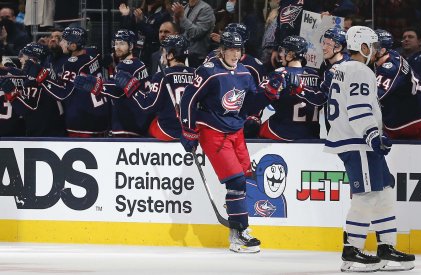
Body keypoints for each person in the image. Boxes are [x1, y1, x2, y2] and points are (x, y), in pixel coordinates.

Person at [179, 31, 287, 253]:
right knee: (236, 180)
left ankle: (237, 231)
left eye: (239, 50)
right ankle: (239, 234)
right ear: (223, 49)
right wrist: (189, 130)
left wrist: (269, 93)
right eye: (231, 49)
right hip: (213, 132)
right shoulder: (209, 71)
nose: (235, 54)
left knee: (244, 179)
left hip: (236, 132)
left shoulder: (244, 73)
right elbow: (188, 100)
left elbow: (248, 105)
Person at [326, 26, 415, 272]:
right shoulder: (360, 70)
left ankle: (386, 246)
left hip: (357, 141)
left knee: (384, 191)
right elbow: (358, 108)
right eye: (373, 46)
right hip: (359, 143)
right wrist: (373, 136)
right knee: (367, 196)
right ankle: (351, 252)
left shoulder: (341, 68)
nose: (375, 51)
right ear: (363, 47)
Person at [30, 27, 110, 137]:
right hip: (101, 116)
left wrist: (42, 78)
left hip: (82, 120)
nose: (61, 43)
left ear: (73, 45)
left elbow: (63, 94)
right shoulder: (93, 53)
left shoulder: (71, 64)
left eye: (64, 41)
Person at [74, 29, 152, 137]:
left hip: (127, 123)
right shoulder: (138, 63)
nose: (118, 47)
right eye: (116, 43)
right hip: (138, 122)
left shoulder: (125, 65)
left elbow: (118, 91)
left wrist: (95, 84)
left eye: (122, 43)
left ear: (131, 46)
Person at [123, 34, 195, 141]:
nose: (162, 55)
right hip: (192, 131)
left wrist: (131, 87)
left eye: (164, 51)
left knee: (148, 122)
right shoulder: (197, 74)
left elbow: (148, 106)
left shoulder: (162, 75)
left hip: (168, 131)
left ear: (170, 55)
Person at [259, 35, 321, 141]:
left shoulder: (278, 74)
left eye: (283, 51)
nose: (280, 54)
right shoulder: (316, 75)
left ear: (291, 54)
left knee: (255, 129)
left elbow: (258, 100)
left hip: (282, 132)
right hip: (312, 134)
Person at [374, 29, 421, 140]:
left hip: (412, 121)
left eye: (370, 46)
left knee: (415, 153)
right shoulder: (391, 53)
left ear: (381, 50)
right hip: (407, 111)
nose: (366, 49)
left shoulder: (389, 70)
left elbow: (373, 97)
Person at [0, 43, 66, 137]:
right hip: (56, 128)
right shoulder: (49, 71)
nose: (20, 59)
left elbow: (25, 110)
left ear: (33, 60)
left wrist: (11, 92)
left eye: (23, 56)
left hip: (43, 135)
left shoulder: (33, 79)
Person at [172, 0, 215, 67]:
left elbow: (196, 33)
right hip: (182, 56)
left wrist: (182, 17)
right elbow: (179, 31)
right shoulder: (186, 7)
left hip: (198, 59)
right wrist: (176, 18)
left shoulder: (206, 9)